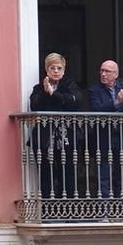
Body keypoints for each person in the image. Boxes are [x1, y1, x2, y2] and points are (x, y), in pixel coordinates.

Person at [28, 52, 82, 211]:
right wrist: (46, 93)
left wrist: (54, 94)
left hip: (67, 138)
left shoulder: (70, 86)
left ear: (64, 70)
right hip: (45, 139)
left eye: (59, 68)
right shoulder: (39, 88)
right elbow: (35, 106)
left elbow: (76, 101)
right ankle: (48, 213)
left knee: (68, 175)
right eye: (52, 68)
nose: (56, 71)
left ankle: (70, 213)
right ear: (47, 70)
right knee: (46, 176)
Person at [86, 60, 123, 200]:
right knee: (104, 176)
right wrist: (117, 102)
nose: (103, 74)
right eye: (102, 71)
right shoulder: (94, 90)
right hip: (104, 138)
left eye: (107, 71)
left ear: (116, 74)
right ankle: (105, 212)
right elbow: (97, 109)